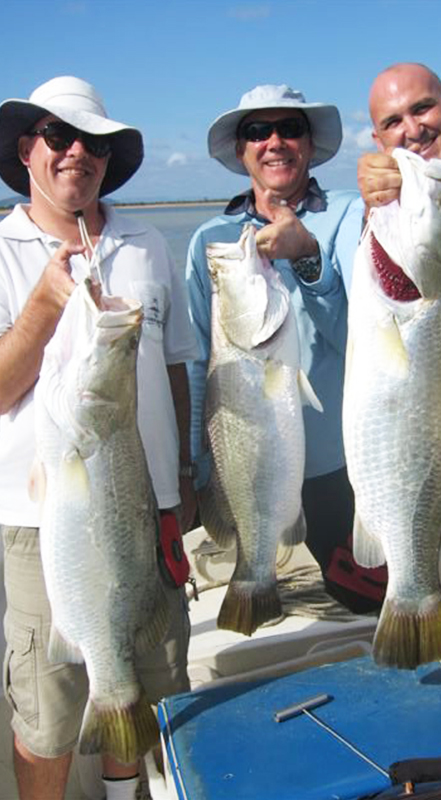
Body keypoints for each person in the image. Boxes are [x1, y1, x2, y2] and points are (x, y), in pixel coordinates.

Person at [0, 76, 198, 800]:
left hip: (151, 508)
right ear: (27, 149)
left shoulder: (147, 244)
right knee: (48, 716)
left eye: (95, 143)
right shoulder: (2, 249)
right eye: (59, 136)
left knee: (140, 679)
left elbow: (175, 363)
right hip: (40, 523)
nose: (77, 153)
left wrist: (186, 473)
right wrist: (45, 309)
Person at [336, 62, 441, 719]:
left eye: (423, 109)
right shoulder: (365, 215)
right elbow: (319, 284)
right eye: (391, 123)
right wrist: (376, 202)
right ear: (376, 139)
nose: (412, 129)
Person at [186, 83, 388, 614]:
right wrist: (196, 468)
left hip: (345, 467)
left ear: (309, 142)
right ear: (241, 149)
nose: (274, 141)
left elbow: (370, 338)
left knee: (365, 608)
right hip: (246, 462)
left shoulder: (350, 217)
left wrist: (308, 258)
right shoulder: (211, 238)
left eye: (289, 128)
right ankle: (253, 587)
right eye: (257, 131)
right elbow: (196, 360)